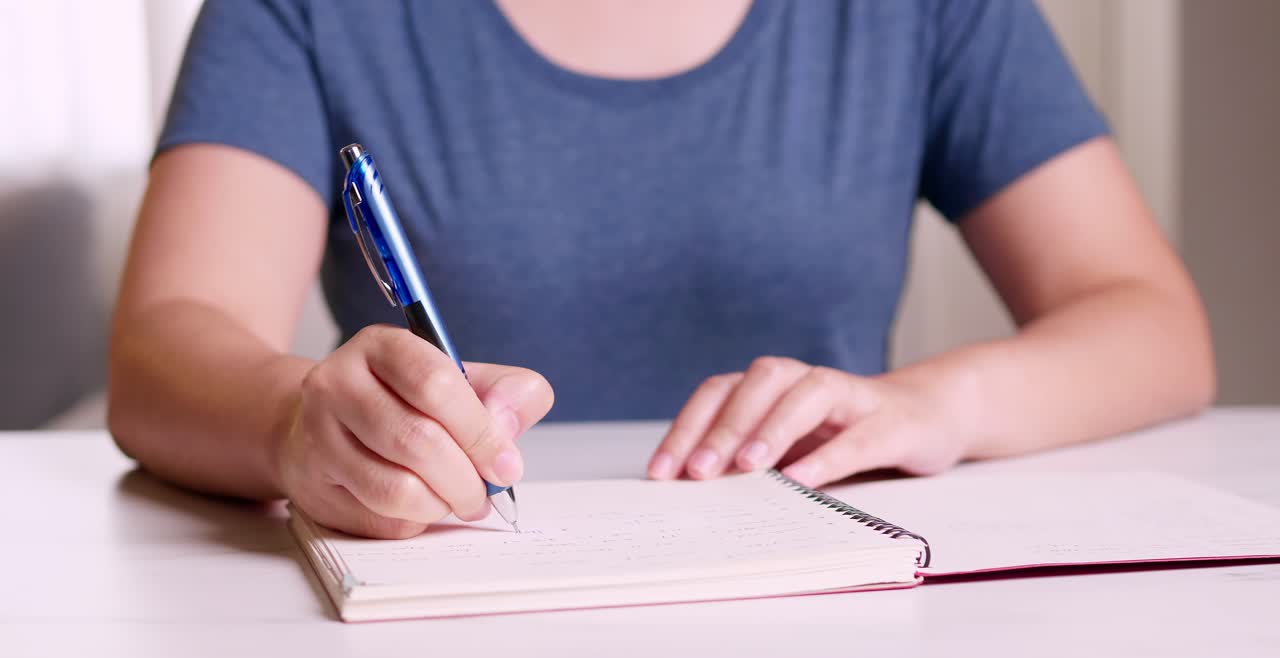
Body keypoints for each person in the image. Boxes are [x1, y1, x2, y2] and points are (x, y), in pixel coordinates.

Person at [108, 0, 1214, 540]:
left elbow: (1150, 326)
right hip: (449, 641)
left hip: (835, 632)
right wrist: (297, 422)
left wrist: (933, 402)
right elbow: (167, 346)